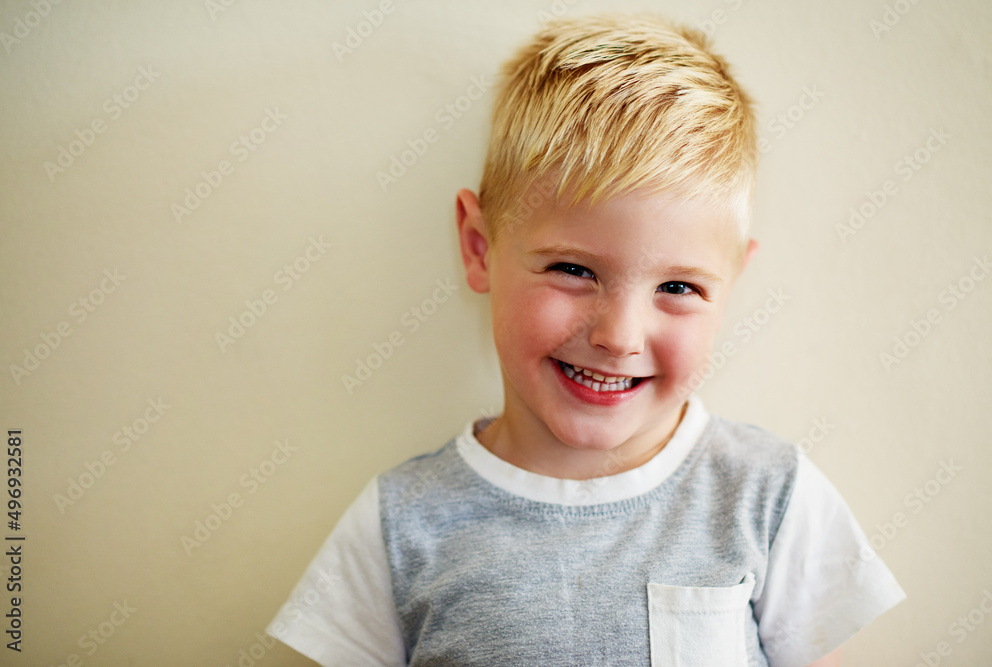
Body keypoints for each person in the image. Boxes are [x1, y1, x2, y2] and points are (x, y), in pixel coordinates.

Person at [266, 14, 905, 666]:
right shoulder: (397, 527)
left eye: (679, 287)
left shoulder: (769, 495)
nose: (619, 337)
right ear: (479, 247)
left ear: (733, 279)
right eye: (574, 270)